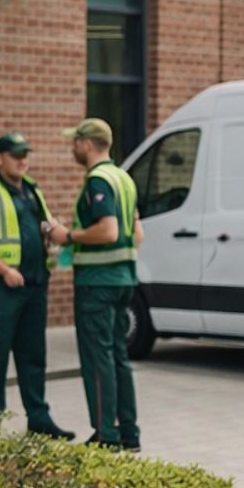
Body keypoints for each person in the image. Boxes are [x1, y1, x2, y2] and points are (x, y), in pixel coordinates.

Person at [44, 117, 144, 452]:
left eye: (75, 141)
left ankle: (105, 435)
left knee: (97, 359)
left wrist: (66, 235)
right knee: (118, 357)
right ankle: (129, 433)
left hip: (97, 285)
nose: (72, 147)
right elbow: (136, 233)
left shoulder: (98, 181)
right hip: (124, 279)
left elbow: (109, 230)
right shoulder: (124, 179)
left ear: (87, 144)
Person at [0, 133, 73, 437]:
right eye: (15, 155)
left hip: (35, 285)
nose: (22, 160)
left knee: (33, 356)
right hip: (1, 288)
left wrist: (52, 232)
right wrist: (4, 271)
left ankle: (39, 420)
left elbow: (43, 224)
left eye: (25, 154)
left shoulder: (32, 190)